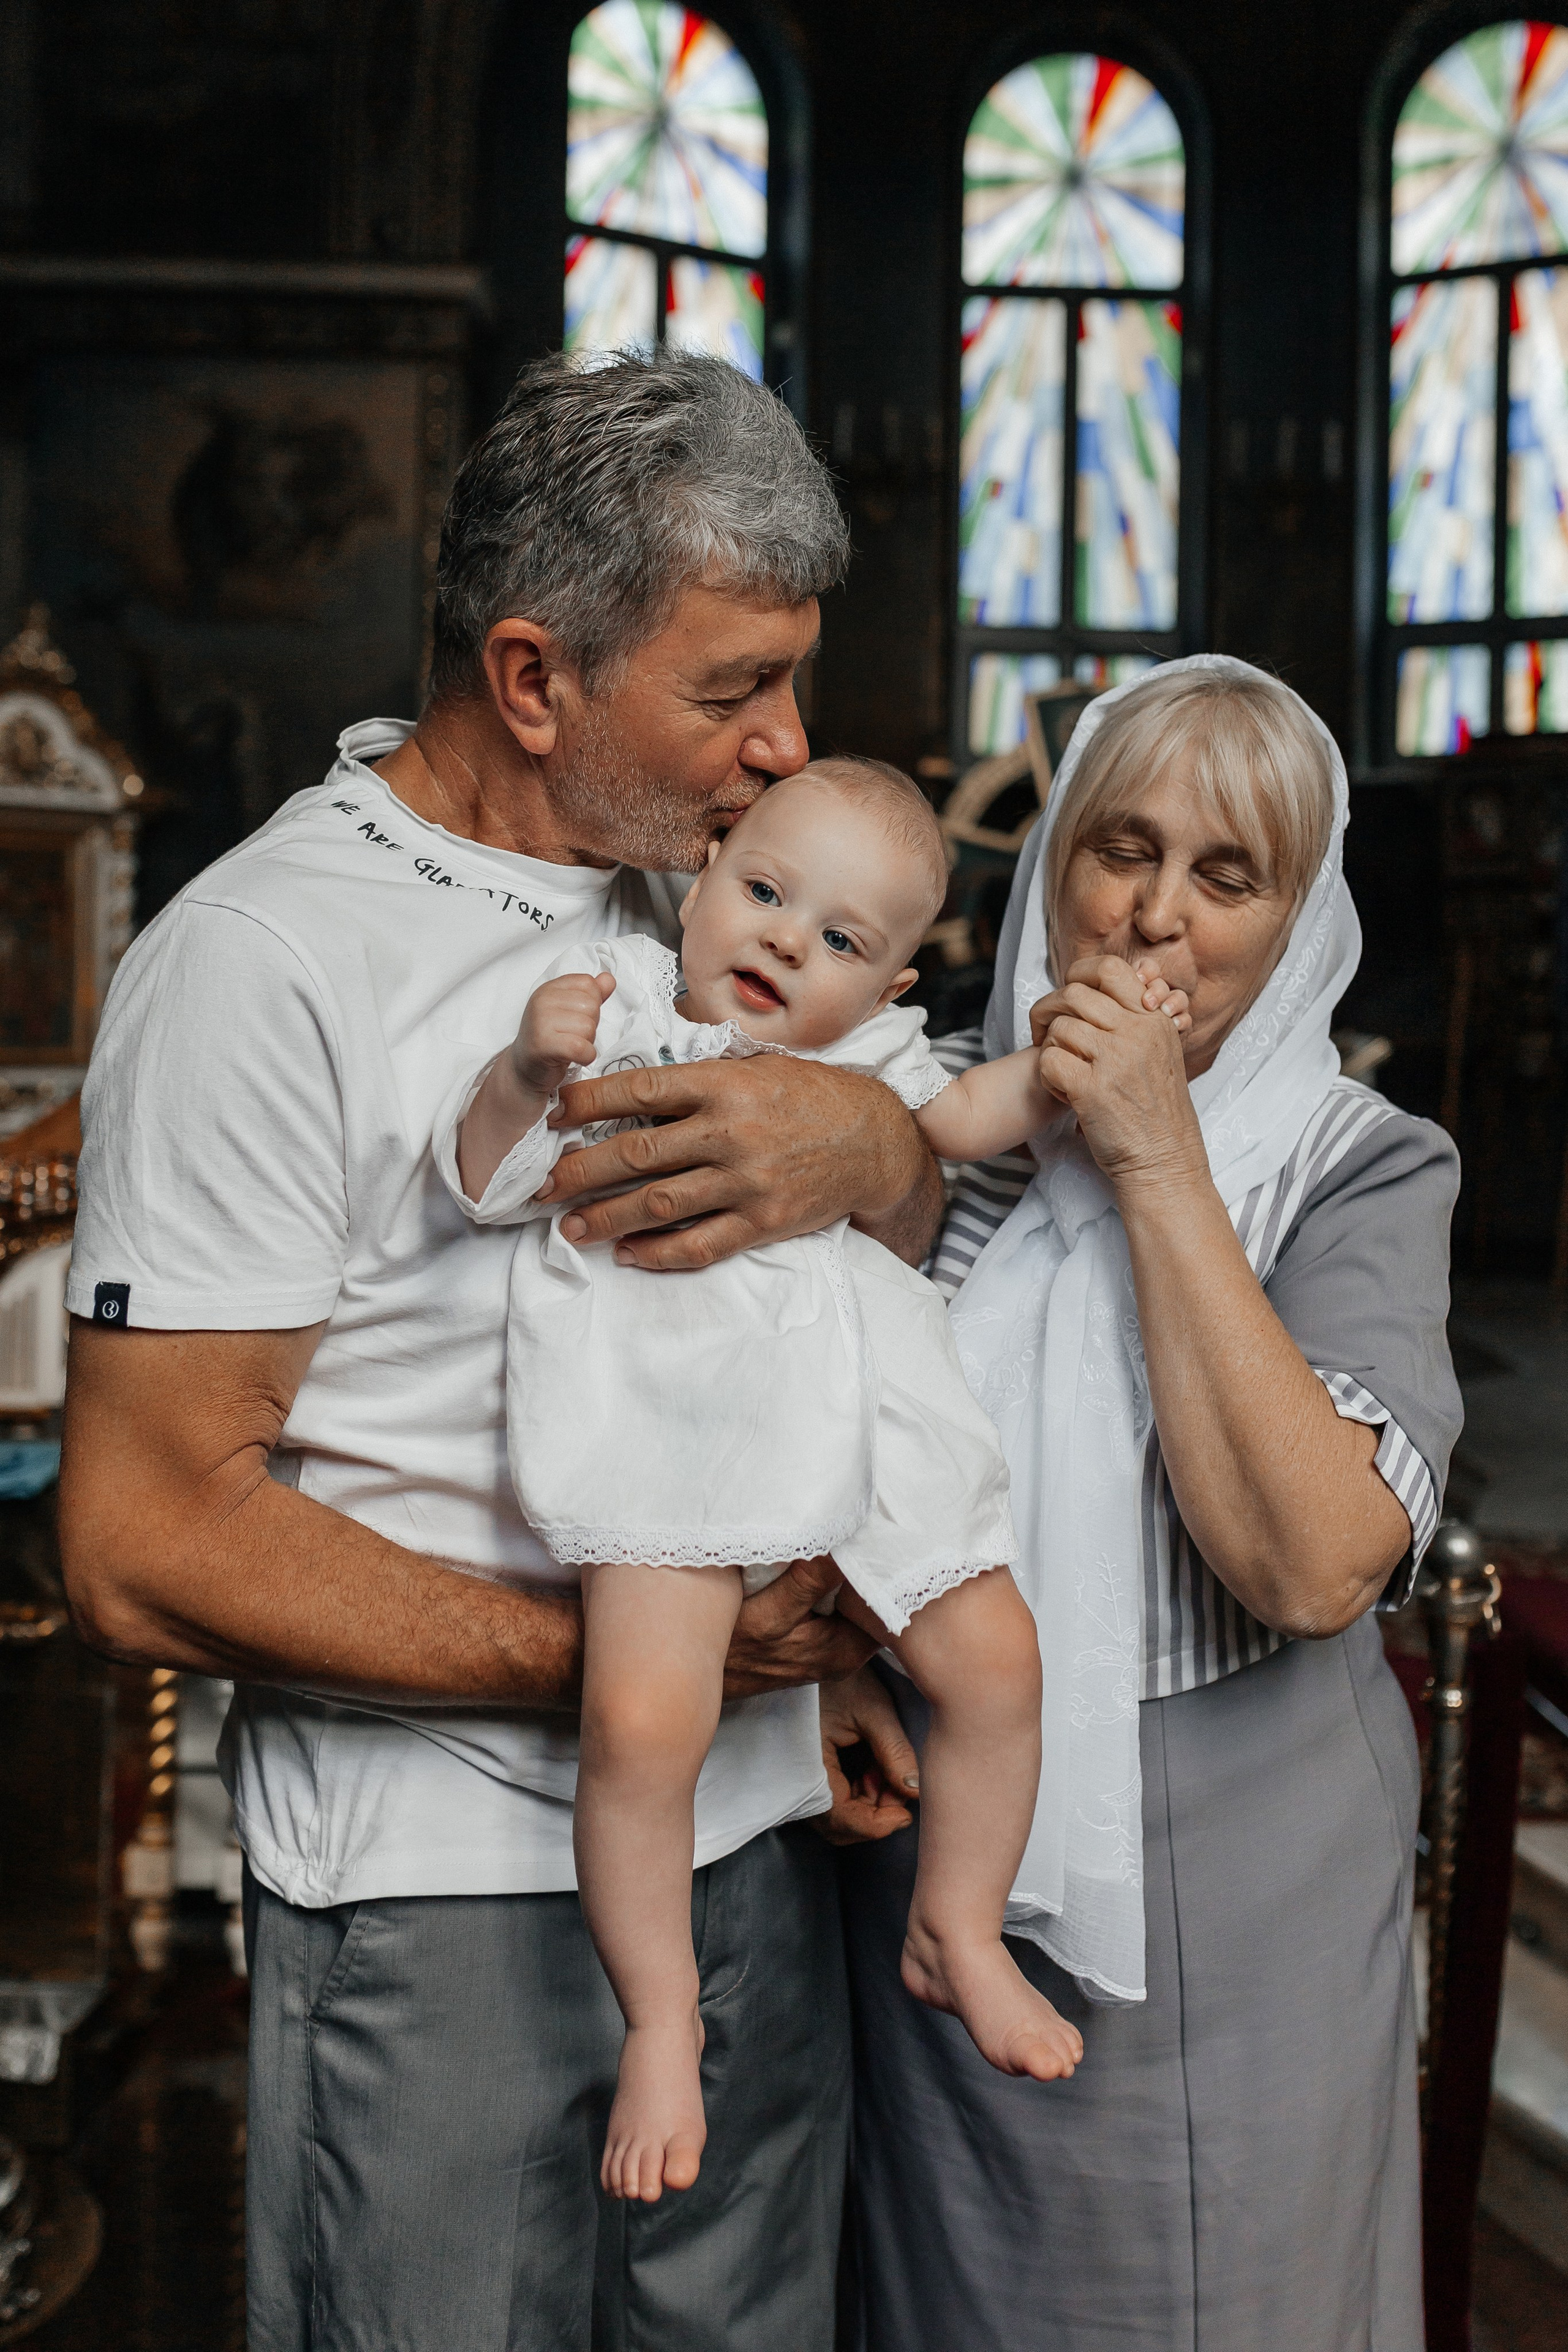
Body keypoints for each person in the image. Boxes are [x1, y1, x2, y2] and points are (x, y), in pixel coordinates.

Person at [56, 352, 948, 2352]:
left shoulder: (735, 907)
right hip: (441, 1888)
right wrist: (654, 1665)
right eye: (734, 691)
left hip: (760, 1835)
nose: (790, 742)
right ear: (535, 680)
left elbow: (852, 1265)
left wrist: (872, 1135)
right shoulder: (261, 958)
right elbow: (136, 1536)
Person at [442, 756, 1188, 2202]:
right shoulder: (621, 1002)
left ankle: (955, 1926)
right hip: (671, 1422)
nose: (787, 942)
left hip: (863, 1428)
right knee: (643, 1724)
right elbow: (482, 1177)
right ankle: (661, 2022)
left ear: (895, 980)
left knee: (998, 1667)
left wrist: (1069, 1065)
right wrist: (527, 1073)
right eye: (768, 893)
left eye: (841, 939)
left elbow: (965, 1126)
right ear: (708, 866)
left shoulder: (877, 1065)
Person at [830, 656, 1461, 2352]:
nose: (1154, 916)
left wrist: (1157, 1161)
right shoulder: (920, 1115)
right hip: (924, 1857)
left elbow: (1315, 1560)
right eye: (1121, 849)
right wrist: (827, 1670)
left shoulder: (1359, 1165)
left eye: (1226, 874)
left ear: (1295, 915)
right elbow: (782, 1430)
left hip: (1241, 1885)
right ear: (1053, 870)